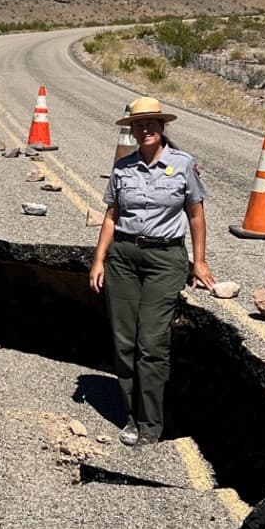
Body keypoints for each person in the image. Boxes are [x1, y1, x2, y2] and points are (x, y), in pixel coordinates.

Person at [88, 97, 218, 446]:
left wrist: (199, 261)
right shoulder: (122, 168)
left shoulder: (183, 165)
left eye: (152, 123)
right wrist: (99, 260)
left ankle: (151, 424)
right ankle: (132, 417)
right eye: (138, 124)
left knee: (152, 342)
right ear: (131, 129)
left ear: (162, 127)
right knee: (125, 342)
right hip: (124, 257)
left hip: (165, 259)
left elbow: (195, 214)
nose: (145, 129)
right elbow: (112, 216)